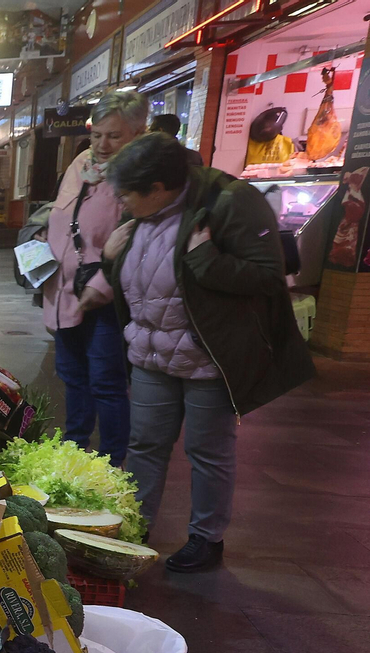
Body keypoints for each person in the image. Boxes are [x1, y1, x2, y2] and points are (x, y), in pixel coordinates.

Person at [102, 131, 315, 571]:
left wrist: (206, 260)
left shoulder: (231, 201)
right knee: (143, 445)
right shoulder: (147, 213)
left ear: (158, 189)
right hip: (151, 354)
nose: (122, 205)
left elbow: (268, 277)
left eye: (126, 196)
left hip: (208, 358)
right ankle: (131, 530)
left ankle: (206, 537)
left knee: (208, 450)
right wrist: (109, 257)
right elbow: (140, 274)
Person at [41, 88, 145, 468]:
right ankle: (75, 450)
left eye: (113, 136)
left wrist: (100, 286)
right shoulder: (80, 164)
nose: (102, 144)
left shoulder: (137, 177)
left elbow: (137, 241)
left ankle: (113, 464)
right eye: (97, 133)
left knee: (106, 381)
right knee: (71, 375)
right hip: (65, 289)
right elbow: (61, 217)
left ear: (137, 132)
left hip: (104, 297)